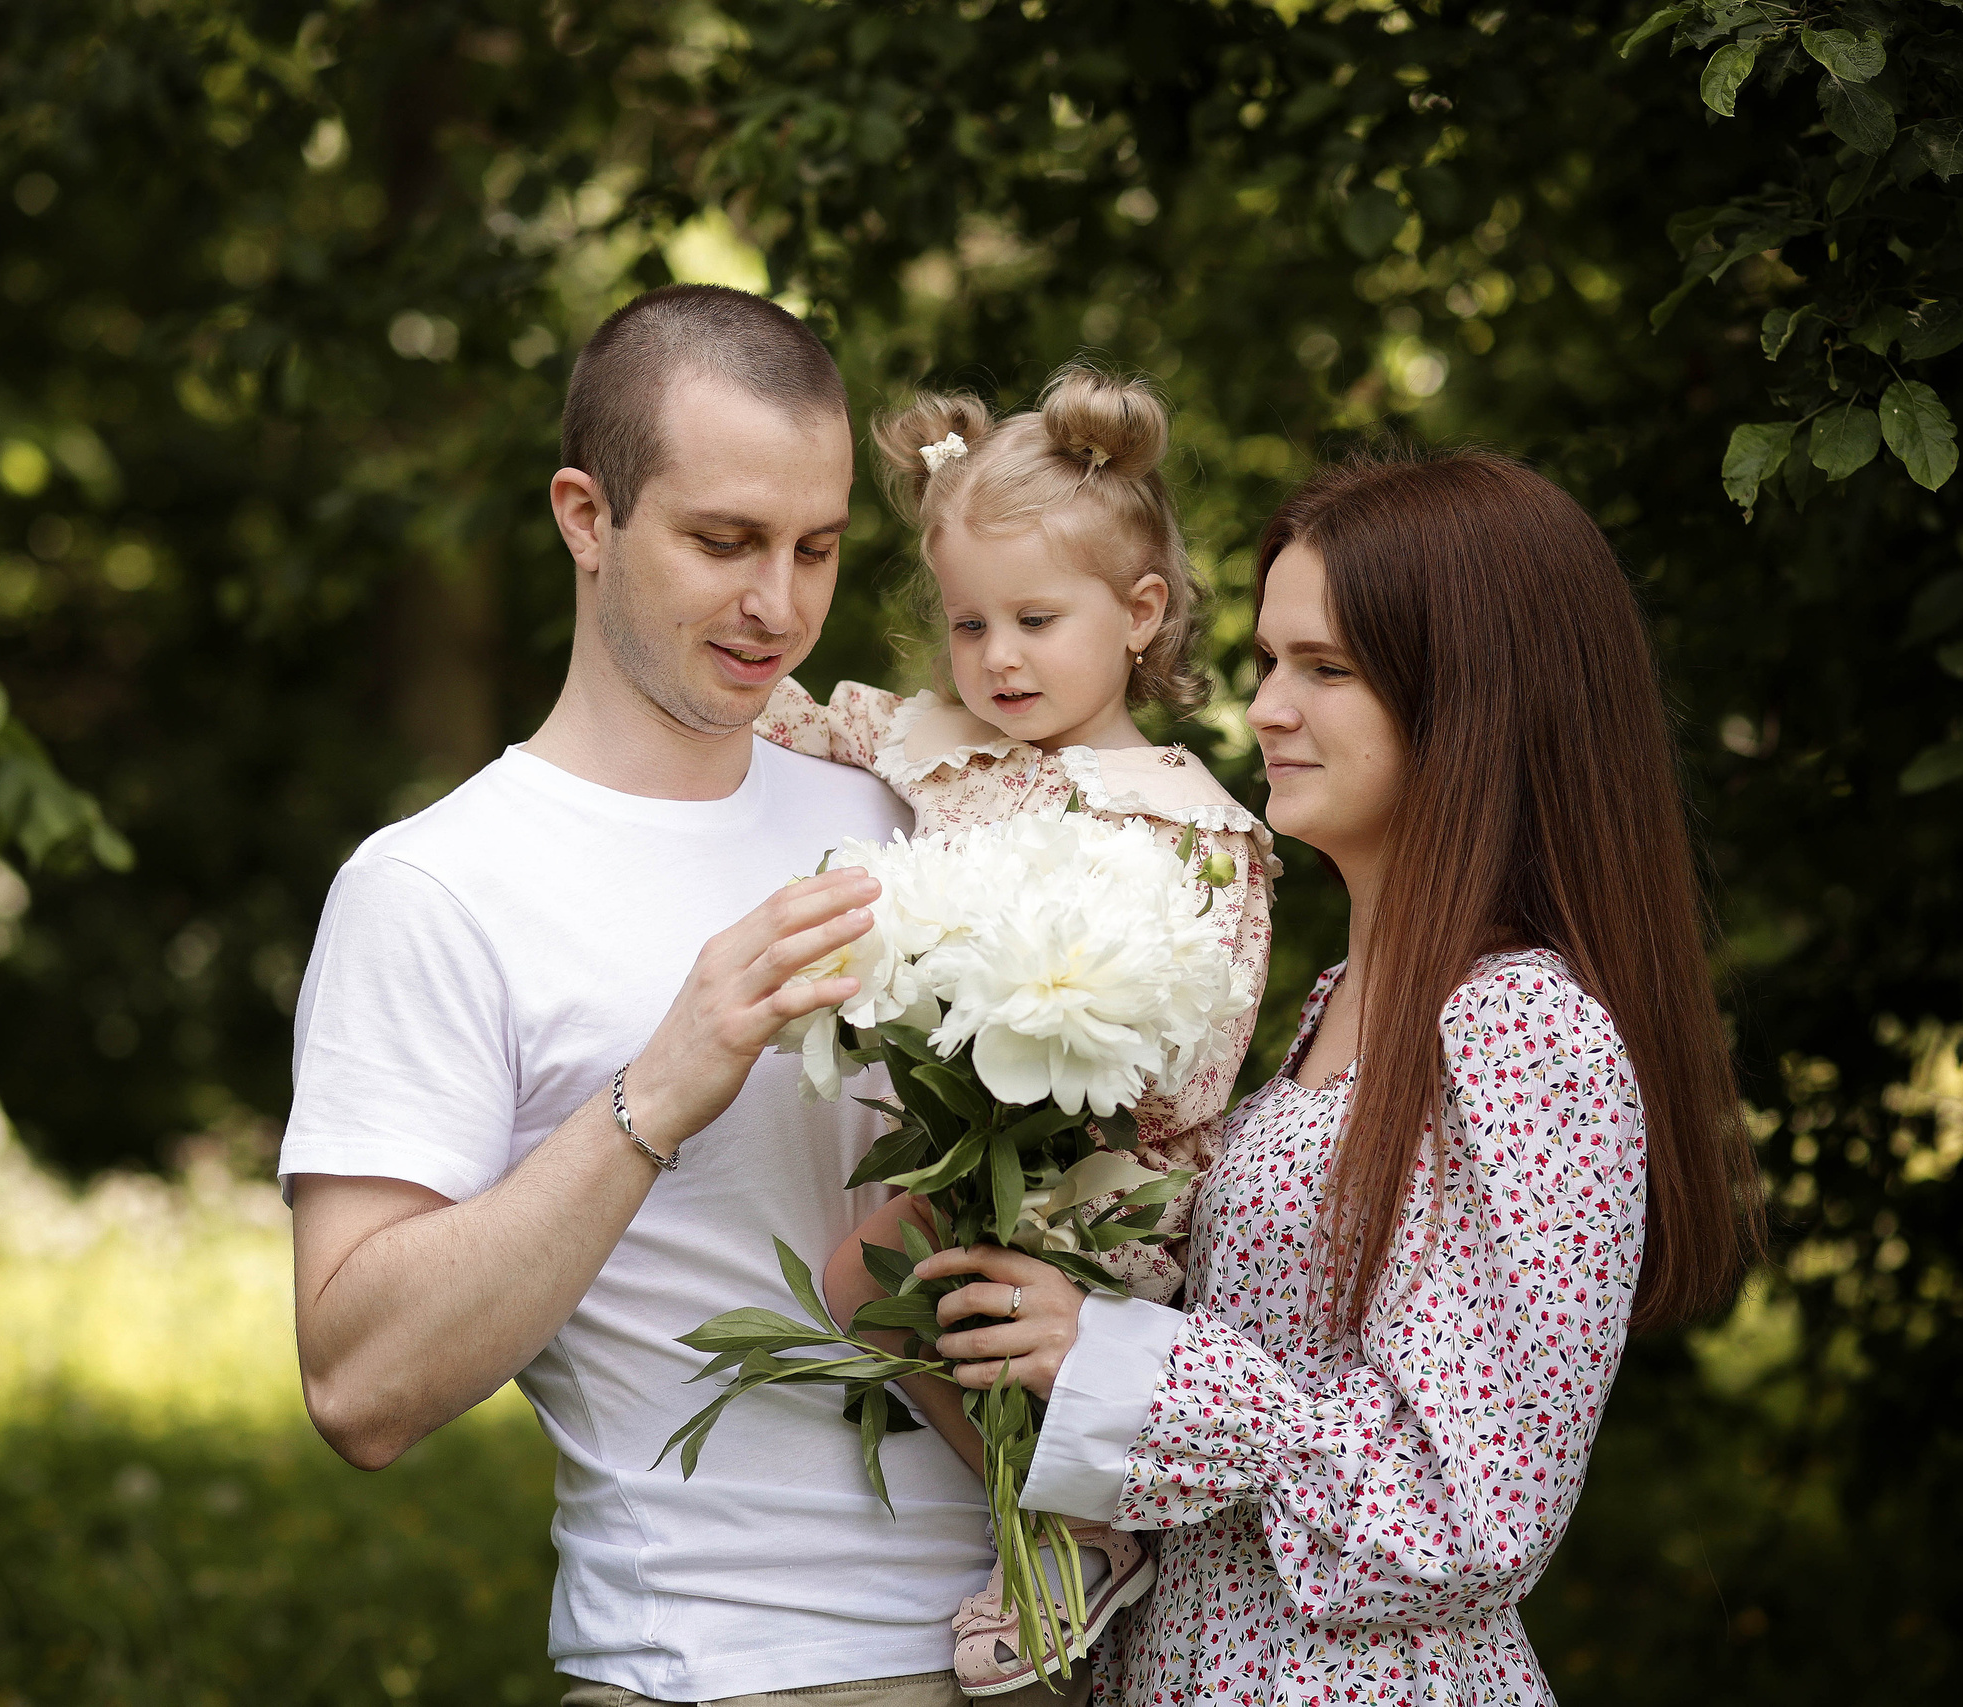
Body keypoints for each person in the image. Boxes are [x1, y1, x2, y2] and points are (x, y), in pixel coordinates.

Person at [909, 447, 1767, 1703]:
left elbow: (1476, 1512)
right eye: (1267, 661)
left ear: (1472, 700)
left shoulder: (1523, 1029)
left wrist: (1122, 1356)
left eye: (1326, 669)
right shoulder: (1337, 1005)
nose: (1263, 708)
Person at [280, 283, 1014, 1706]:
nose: (779, 606)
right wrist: (654, 1094)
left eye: (815, 548)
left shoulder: (916, 811)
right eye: (723, 541)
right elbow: (359, 1386)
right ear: (585, 515)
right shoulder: (433, 884)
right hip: (727, 1665)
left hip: (1056, 1638)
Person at [752, 365, 1276, 1694]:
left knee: (885, 1268)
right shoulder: (935, 738)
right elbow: (788, 714)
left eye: (1037, 618)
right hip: (960, 1129)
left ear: (1139, 612)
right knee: (875, 1274)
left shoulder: (1184, 818)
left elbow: (1204, 1026)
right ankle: (1055, 1514)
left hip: (1109, 1161)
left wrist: (1108, 1160)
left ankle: (1074, 1520)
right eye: (970, 619)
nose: (997, 656)